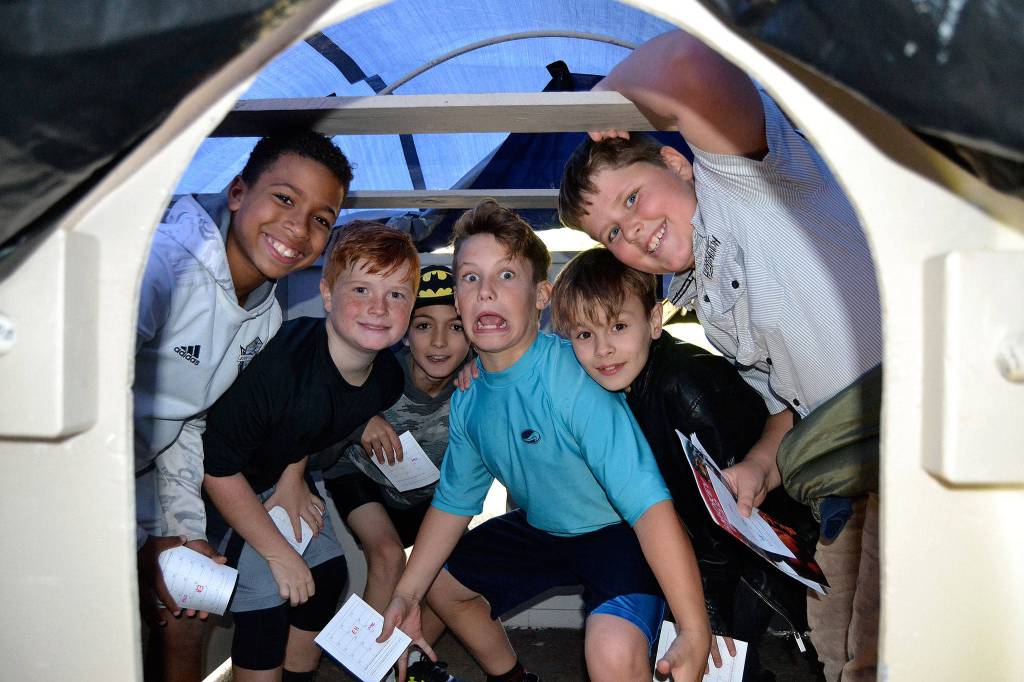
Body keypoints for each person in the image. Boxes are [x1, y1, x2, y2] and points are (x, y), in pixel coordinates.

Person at [557, 29, 883, 681]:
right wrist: (760, 469)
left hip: (900, 422)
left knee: (911, 638)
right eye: (611, 234)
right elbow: (788, 403)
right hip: (839, 464)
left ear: (679, 166)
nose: (631, 231)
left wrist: (604, 97)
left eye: (632, 198)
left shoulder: (744, 183)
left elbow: (690, 59)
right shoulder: (704, 301)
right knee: (844, 645)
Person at [378, 200, 712, 682]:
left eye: (506, 276)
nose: (486, 291)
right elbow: (453, 505)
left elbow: (648, 506)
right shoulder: (469, 399)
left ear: (541, 296)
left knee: (612, 656)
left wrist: (694, 628)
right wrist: (406, 595)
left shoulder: (573, 377)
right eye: (470, 277)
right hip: (544, 528)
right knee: (441, 585)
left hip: (618, 532)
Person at [133, 129, 351, 681]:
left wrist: (186, 531)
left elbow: (188, 423)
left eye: (322, 218)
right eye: (284, 198)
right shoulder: (160, 269)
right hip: (72, 474)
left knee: (187, 604)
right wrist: (149, 542)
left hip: (152, 476)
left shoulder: (268, 316)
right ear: (236, 192)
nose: (298, 229)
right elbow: (87, 407)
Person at [550, 247, 817, 681]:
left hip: (751, 549)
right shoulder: (626, 375)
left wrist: (703, 608)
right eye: (584, 334)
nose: (603, 349)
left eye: (618, 326)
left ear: (655, 321)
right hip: (699, 544)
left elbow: (731, 515)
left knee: (721, 668)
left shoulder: (686, 387)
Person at [200, 222, 419, 682]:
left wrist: (293, 477)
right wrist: (279, 553)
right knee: (268, 596)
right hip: (220, 487)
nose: (379, 307)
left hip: (279, 476)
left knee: (327, 577)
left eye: (397, 294)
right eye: (361, 288)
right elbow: (216, 468)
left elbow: (313, 423)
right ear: (326, 294)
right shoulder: (284, 367)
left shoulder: (386, 378)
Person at [317, 264, 471, 669]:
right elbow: (317, 438)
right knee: (387, 557)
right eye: (423, 325)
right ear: (404, 332)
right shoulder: (378, 373)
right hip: (363, 479)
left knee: (448, 578)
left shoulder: (478, 386)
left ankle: (411, 658)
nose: (439, 342)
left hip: (433, 494)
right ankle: (367, 663)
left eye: (455, 327)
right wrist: (358, 425)